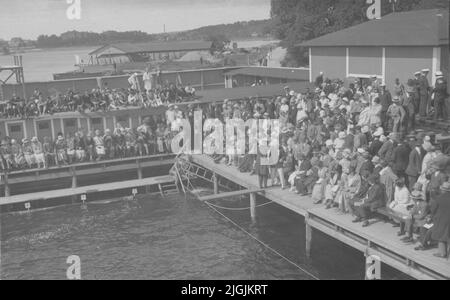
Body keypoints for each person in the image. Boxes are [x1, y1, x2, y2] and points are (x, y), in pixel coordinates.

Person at [430, 181, 450, 258]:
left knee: (441, 236)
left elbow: (433, 210)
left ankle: (442, 253)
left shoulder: (439, 198)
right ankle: (445, 252)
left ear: (443, 190)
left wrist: (432, 216)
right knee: (447, 235)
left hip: (441, 220)